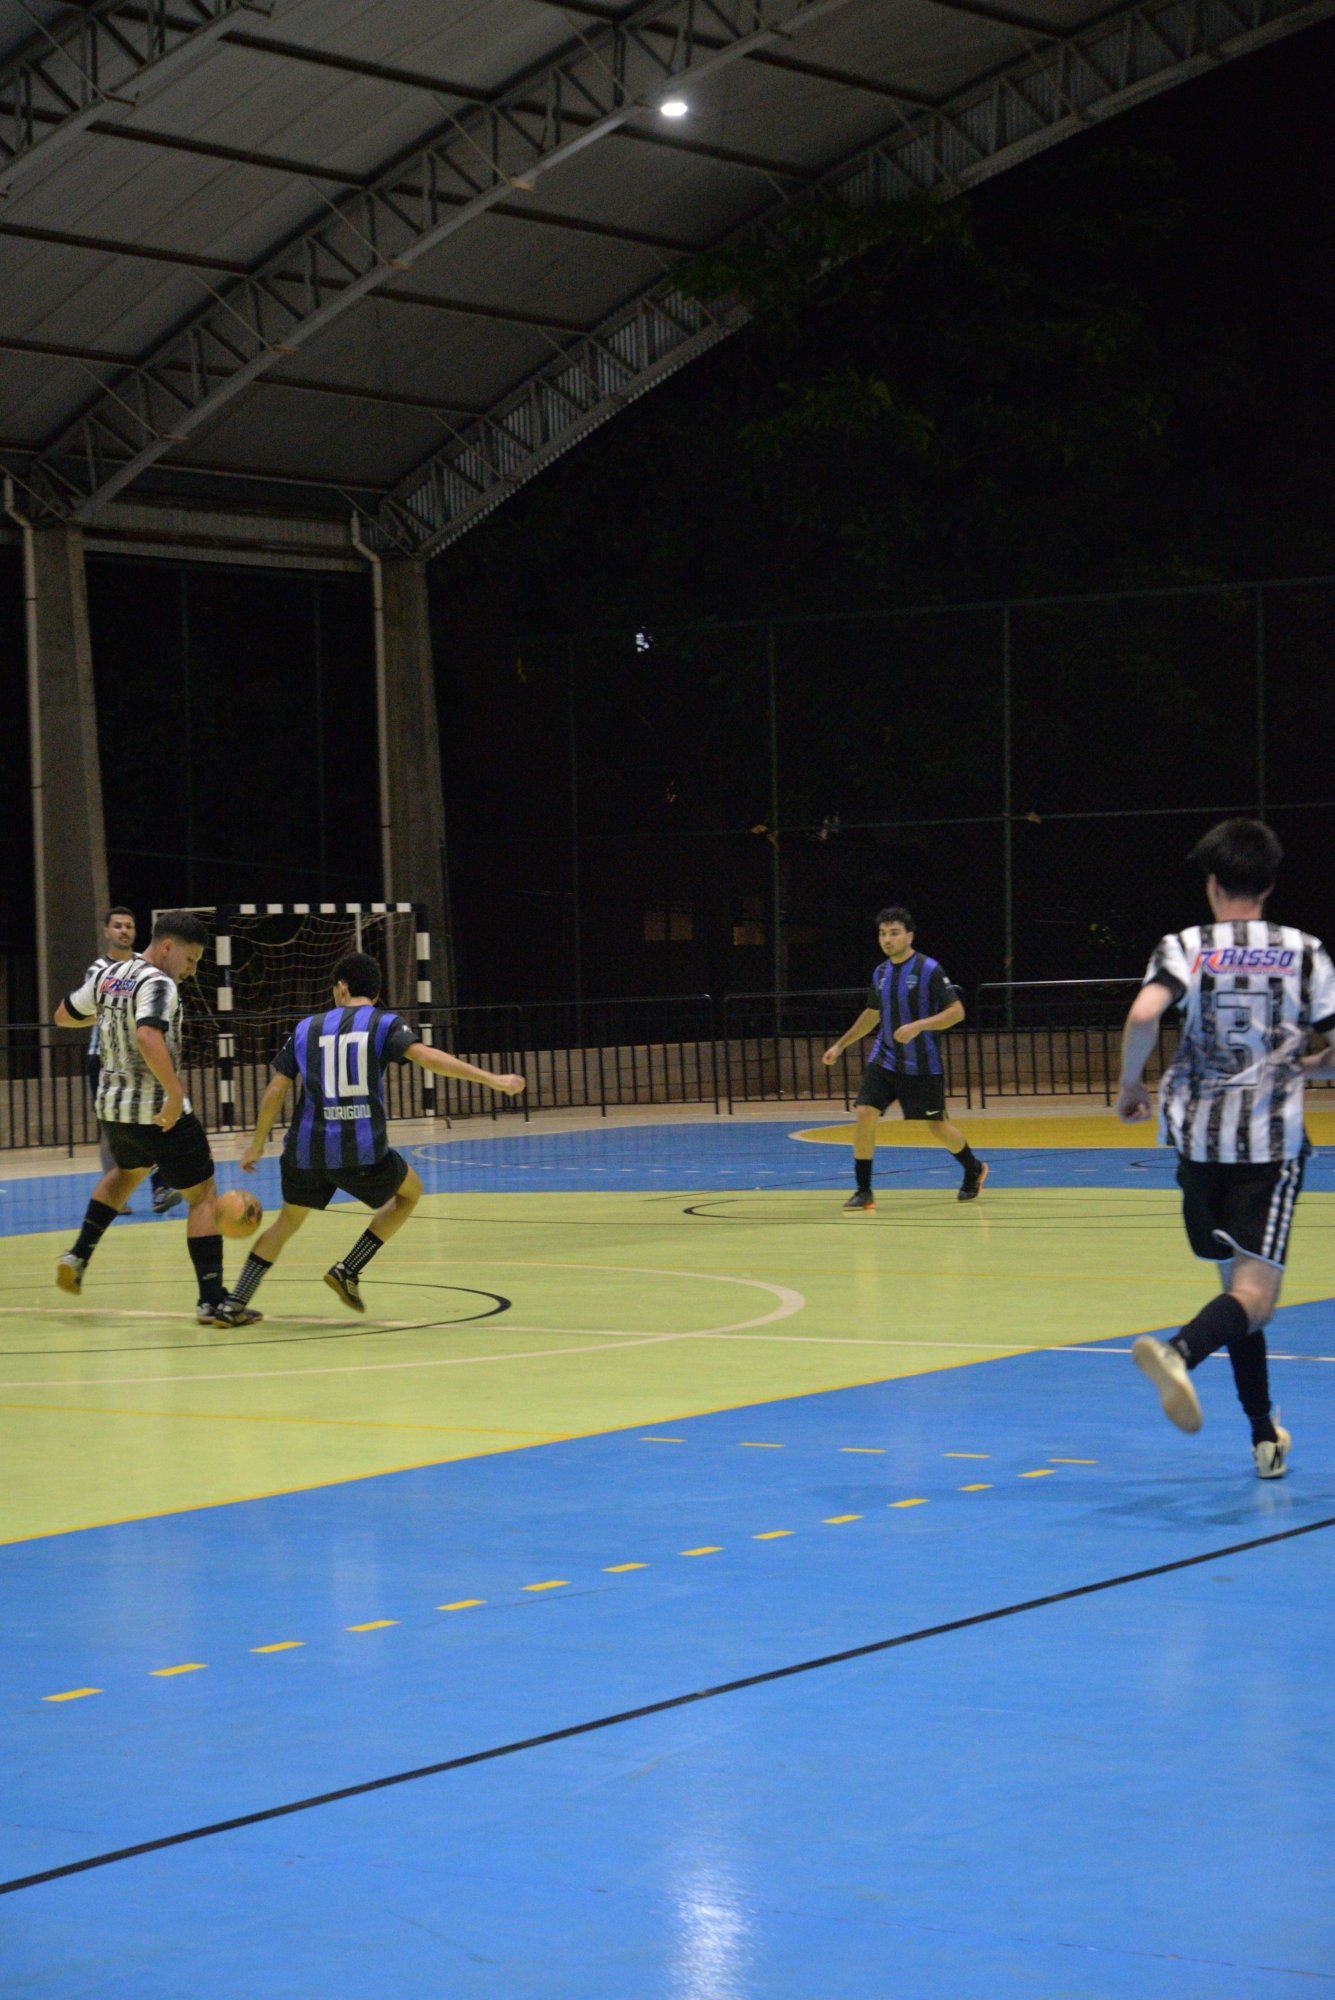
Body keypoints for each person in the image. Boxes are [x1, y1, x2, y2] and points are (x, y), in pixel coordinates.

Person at [1117, 818, 1335, 1478]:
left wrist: (1130, 1084)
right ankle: (1179, 1352)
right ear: (1267, 885)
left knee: (1236, 1297)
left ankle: (1264, 1436)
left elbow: (1143, 1014)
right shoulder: (1304, 952)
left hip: (1197, 1144)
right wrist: (1311, 1065)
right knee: (1254, 1299)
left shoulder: (1185, 945)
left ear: (1212, 883)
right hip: (1267, 1146)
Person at [227, 951, 527, 1314]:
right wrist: (492, 1079)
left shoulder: (306, 1027)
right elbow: (428, 1058)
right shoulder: (384, 1023)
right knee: (410, 1193)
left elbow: (276, 1089)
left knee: (286, 1223)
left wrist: (257, 1145)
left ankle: (235, 1302)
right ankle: (349, 1268)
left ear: (341, 988)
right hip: (360, 1151)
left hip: (305, 1151)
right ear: (377, 993)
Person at [53, 909, 258, 1328]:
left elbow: (62, 1016)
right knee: (203, 1195)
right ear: (167, 947)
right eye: (191, 959)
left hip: (113, 1110)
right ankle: (212, 1301)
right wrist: (175, 1093)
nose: (192, 970)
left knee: (126, 1173)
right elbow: (148, 1035)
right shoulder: (159, 983)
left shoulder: (108, 975)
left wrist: (108, 1015)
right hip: (157, 1111)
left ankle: (78, 1255)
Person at [822, 906, 985, 1207]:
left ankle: (972, 1167)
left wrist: (918, 1026)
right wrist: (840, 1045)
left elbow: (957, 1012)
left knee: (937, 1126)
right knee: (864, 1113)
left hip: (922, 1065)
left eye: (894, 933)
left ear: (909, 936)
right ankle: (863, 1190)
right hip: (884, 1060)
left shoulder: (929, 969)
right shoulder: (880, 973)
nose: (887, 939)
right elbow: (872, 1014)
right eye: (883, 933)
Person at [81, 905, 182, 1215]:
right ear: (106, 931)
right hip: (105, 1057)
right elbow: (89, 1010)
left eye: (129, 925)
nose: (124, 930)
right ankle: (116, 1193)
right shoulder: (98, 969)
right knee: (113, 1125)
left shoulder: (144, 966)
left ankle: (161, 1189)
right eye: (118, 925)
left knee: (157, 1117)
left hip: (141, 1055)